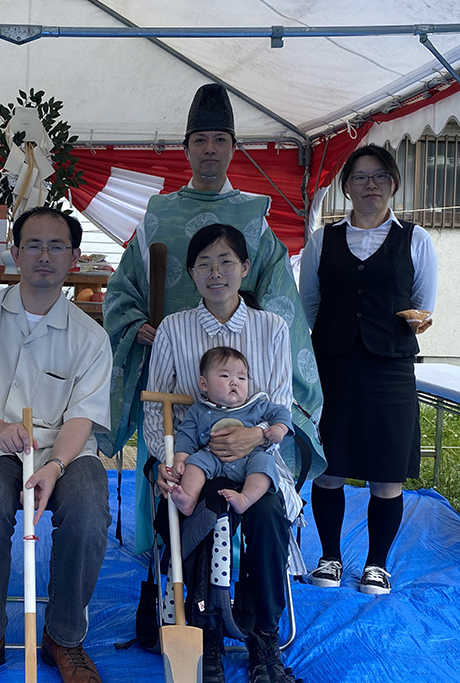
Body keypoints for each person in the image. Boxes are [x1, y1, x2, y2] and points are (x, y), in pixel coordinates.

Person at [100, 83, 323, 553]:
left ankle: (239, 570)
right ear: (185, 149)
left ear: (233, 147)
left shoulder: (253, 214)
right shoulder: (159, 214)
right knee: (175, 468)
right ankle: (169, 571)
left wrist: (262, 339)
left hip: (243, 382)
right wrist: (132, 321)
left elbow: (278, 294)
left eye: (220, 139)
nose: (210, 149)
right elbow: (123, 286)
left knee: (246, 470)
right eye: (199, 140)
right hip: (176, 369)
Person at [0, 206, 112, 683]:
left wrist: (55, 465)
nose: (44, 255)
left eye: (57, 246)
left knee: (91, 509)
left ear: (74, 258)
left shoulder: (91, 336)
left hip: (65, 452)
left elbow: (84, 416)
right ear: (14, 253)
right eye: (33, 244)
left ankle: (64, 636)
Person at [148, 224, 302, 683]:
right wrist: (167, 460)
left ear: (245, 269)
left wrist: (254, 437)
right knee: (197, 508)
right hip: (197, 459)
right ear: (191, 273)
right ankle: (205, 629)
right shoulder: (174, 329)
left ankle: (263, 635)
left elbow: (281, 406)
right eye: (205, 264)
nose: (216, 273)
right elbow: (157, 414)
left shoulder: (271, 328)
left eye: (227, 263)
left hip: (256, 462)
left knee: (269, 515)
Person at [299, 143, 438, 595]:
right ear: (347, 188)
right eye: (360, 177)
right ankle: (330, 556)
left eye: (379, 176)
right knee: (330, 467)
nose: (370, 184)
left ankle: (377, 564)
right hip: (333, 366)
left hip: (390, 370)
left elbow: (424, 306)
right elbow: (309, 307)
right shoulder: (322, 240)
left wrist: (416, 319)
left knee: (386, 472)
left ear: (393, 183)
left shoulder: (416, 240)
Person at [169, 346, 292, 517]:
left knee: (265, 463)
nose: (234, 382)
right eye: (225, 376)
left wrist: (280, 427)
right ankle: (189, 499)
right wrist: (180, 458)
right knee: (195, 462)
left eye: (242, 377)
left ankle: (245, 499)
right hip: (212, 457)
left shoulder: (256, 405)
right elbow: (186, 436)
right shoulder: (198, 411)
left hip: (250, 458)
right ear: (203, 384)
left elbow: (281, 412)